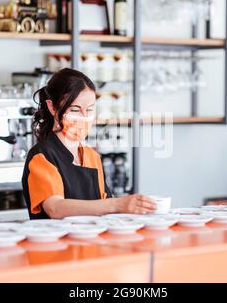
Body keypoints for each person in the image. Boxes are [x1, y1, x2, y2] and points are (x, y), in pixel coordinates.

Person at [22, 68, 157, 219]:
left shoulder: (92, 156)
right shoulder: (42, 156)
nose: (84, 117)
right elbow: (55, 208)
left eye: (89, 110)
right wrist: (117, 204)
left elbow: (105, 208)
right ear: (52, 107)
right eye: (75, 109)